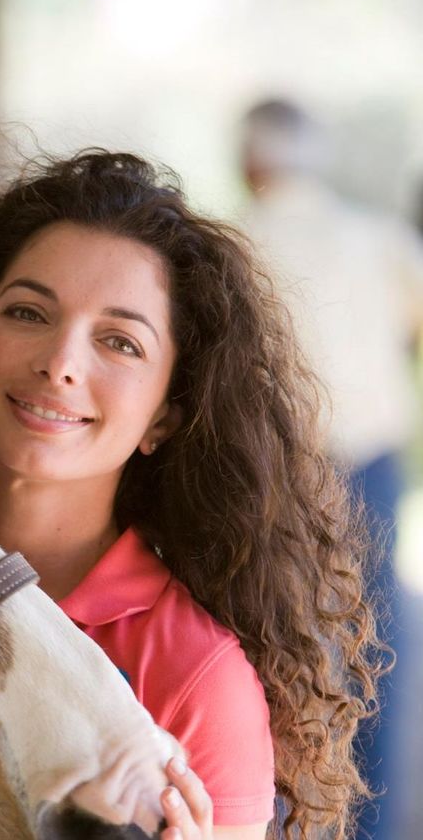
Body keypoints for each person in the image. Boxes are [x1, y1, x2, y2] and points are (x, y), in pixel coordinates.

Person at [0, 150, 385, 839]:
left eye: (119, 342)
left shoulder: (195, 678)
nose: (60, 364)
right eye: (28, 312)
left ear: (165, 414)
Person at [240, 100, 423, 839]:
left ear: (251, 161)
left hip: (279, 474)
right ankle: (370, 826)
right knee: (376, 645)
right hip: (371, 465)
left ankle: (288, 821)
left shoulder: (238, 242)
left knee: (280, 651)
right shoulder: (378, 239)